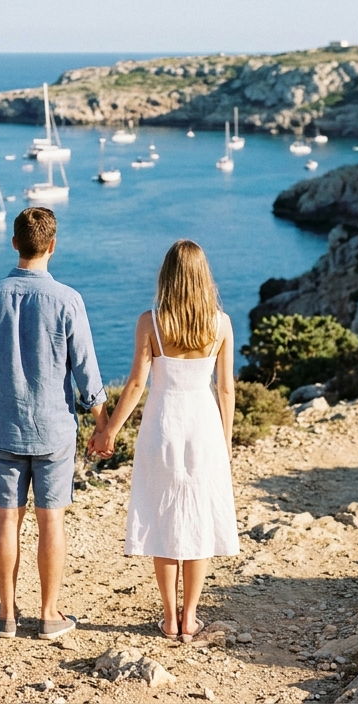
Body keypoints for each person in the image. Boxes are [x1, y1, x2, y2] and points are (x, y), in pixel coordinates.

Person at [0, 206, 109, 640]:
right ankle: (49, 616)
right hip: (53, 430)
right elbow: (86, 371)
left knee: (6, 519)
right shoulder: (67, 300)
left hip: (4, 426)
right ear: (52, 245)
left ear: (14, 243)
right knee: (52, 522)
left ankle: (6, 615)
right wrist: (103, 425)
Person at [88, 239, 239, 642]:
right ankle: (190, 619)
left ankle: (169, 619)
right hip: (204, 428)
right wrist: (225, 442)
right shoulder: (220, 324)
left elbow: (136, 384)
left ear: (167, 276)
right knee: (198, 521)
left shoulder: (150, 322)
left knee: (164, 520)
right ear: (204, 276)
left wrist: (108, 430)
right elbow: (226, 388)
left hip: (162, 425)